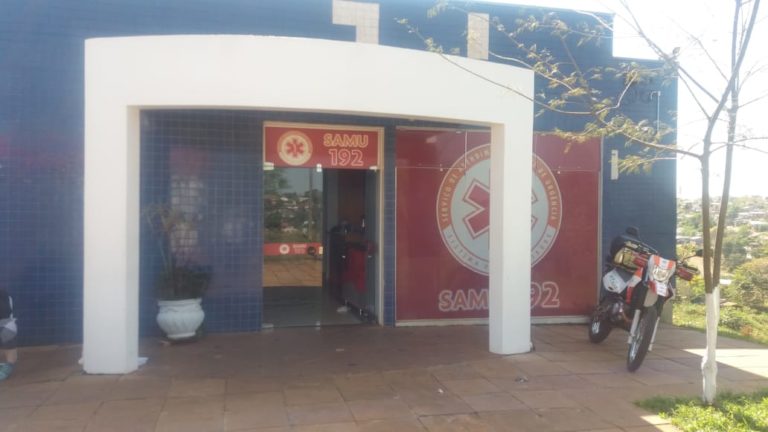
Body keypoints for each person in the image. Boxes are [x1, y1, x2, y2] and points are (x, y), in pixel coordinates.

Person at [0, 287, 17, 381]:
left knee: (9, 345)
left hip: (5, 323)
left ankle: (8, 367)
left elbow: (6, 312)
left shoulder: (2, 294)